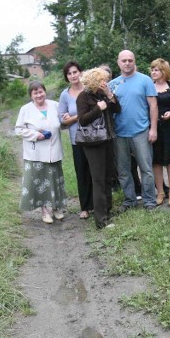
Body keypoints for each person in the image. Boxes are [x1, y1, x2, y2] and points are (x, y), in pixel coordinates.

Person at [108, 50, 159, 212]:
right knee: (123, 170)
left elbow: (153, 105)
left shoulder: (145, 80)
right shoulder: (112, 85)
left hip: (141, 131)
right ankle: (130, 200)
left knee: (146, 169)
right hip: (120, 134)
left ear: (134, 61)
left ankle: (149, 200)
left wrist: (153, 129)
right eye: (124, 60)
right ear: (118, 63)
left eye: (130, 60)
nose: (127, 63)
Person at [15, 81, 67, 224]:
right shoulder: (25, 109)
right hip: (35, 153)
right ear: (31, 95)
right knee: (40, 182)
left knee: (55, 180)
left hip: (54, 151)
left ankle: (56, 207)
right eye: (35, 93)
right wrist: (35, 134)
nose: (39, 95)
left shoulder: (55, 105)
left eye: (41, 91)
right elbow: (18, 129)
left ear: (45, 91)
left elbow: (62, 123)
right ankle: (44, 211)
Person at [77, 68, 121, 229]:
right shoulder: (83, 96)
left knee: (108, 177)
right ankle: (101, 221)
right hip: (93, 143)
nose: (105, 82)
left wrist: (109, 94)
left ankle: (107, 212)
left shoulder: (103, 94)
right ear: (94, 81)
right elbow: (82, 120)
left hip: (108, 139)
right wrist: (98, 109)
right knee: (98, 180)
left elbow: (117, 109)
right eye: (102, 80)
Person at [58, 61, 93, 220]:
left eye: (75, 72)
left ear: (81, 72)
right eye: (69, 73)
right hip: (76, 140)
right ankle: (85, 207)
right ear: (67, 77)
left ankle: (97, 204)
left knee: (96, 172)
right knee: (82, 173)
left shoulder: (89, 89)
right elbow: (62, 121)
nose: (73, 76)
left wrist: (73, 117)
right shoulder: (65, 95)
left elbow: (96, 111)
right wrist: (73, 118)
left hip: (94, 137)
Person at [150, 58, 170, 206]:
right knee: (156, 162)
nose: (153, 72)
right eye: (152, 69)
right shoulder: (149, 87)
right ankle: (160, 192)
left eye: (156, 69)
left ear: (164, 71)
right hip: (154, 128)